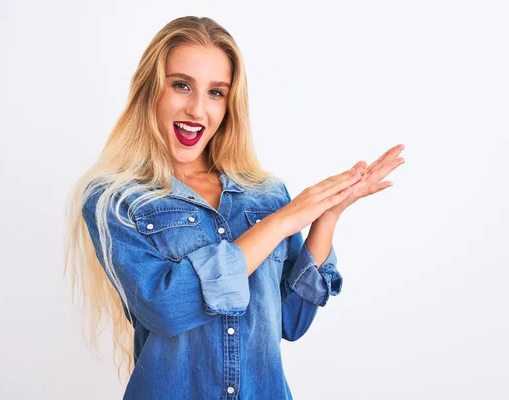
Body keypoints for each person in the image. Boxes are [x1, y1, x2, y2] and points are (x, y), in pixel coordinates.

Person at [64, 15, 405, 399]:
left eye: (216, 92)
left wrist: (327, 216)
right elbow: (167, 307)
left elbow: (291, 321)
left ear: (230, 104)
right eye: (181, 85)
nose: (197, 109)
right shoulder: (115, 199)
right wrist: (278, 224)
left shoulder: (266, 194)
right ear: (150, 91)